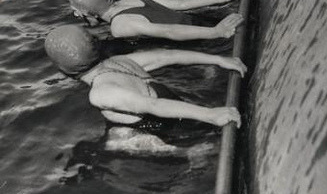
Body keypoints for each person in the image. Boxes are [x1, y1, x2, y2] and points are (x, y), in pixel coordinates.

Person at [45, 25, 244, 128]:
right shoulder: (122, 60)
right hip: (177, 102)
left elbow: (153, 106)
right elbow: (170, 55)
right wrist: (218, 60)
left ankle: (196, 149)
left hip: (171, 128)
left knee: (117, 140)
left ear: (64, 71)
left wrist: (211, 115)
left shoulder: (99, 93)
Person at [67, 0, 253, 41]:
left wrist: (216, 33)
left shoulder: (119, 26)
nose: (75, 14)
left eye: (77, 9)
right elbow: (182, 4)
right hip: (202, 23)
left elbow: (169, 31)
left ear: (88, 10)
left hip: (201, 40)